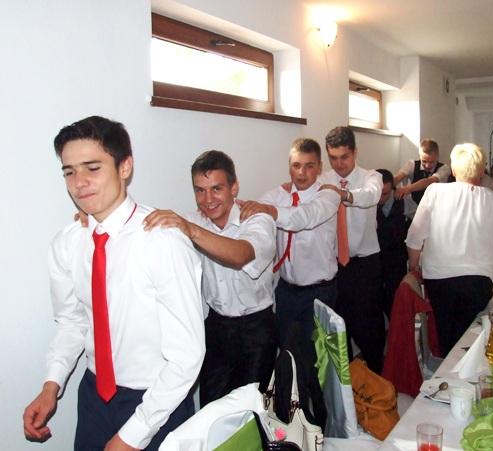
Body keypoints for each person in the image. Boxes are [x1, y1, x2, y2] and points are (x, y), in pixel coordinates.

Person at [23, 116, 205, 451]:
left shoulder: (162, 241)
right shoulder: (67, 243)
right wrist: (51, 384)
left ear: (125, 167)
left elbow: (187, 356)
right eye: (69, 172)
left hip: (158, 400)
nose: (79, 183)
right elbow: (72, 322)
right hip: (94, 396)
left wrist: (132, 435)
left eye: (92, 168)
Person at [143, 150, 277, 406]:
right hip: (215, 327)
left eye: (216, 189)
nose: (208, 199)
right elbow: (147, 224)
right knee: (210, 408)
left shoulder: (258, 219)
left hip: (257, 330)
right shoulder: (193, 220)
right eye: (200, 190)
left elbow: (240, 255)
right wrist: (98, 216)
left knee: (248, 411)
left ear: (234, 187)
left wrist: (191, 230)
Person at [406, 143, 493, 356]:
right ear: (482, 171)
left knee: (445, 333)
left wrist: (414, 267)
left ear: (453, 170)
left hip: (440, 277)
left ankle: (447, 369)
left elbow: (415, 237)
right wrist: (490, 273)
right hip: (479, 279)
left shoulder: (435, 192)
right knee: (471, 338)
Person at [237, 138, 341, 344]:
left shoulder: (329, 195)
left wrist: (270, 211)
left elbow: (304, 217)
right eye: (296, 165)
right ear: (289, 167)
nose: (301, 173)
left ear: (320, 167)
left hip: (321, 293)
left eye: (309, 166)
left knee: (318, 356)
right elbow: (256, 212)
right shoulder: (277, 195)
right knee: (286, 349)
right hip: (286, 291)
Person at [319, 126, 386, 374]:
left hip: (365, 266)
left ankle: (378, 381)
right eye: (333, 158)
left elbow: (371, 196)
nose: (339, 164)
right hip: (333, 266)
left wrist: (344, 194)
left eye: (344, 157)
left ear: (355, 152)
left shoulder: (371, 177)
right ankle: (346, 388)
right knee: (337, 331)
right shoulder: (322, 180)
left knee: (369, 330)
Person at [376, 169, 409, 320]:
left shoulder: (403, 201)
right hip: (375, 259)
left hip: (397, 259)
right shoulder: (367, 202)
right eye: (378, 193)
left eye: (385, 194)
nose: (380, 198)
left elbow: (418, 224)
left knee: (395, 297)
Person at [393, 139, 452, 205]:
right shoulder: (411, 165)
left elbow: (429, 181)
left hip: (437, 206)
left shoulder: (444, 168)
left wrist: (408, 188)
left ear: (437, 157)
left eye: (432, 162)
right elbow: (398, 177)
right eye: (424, 161)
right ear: (420, 156)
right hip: (416, 206)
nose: (427, 165)